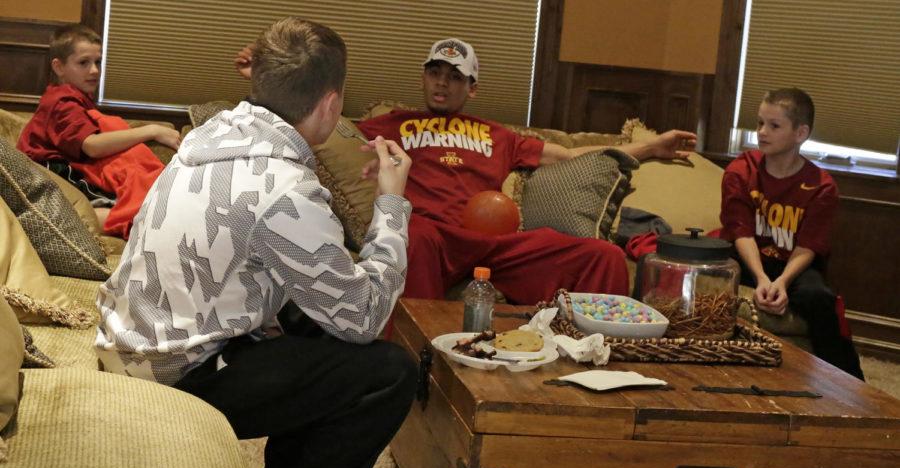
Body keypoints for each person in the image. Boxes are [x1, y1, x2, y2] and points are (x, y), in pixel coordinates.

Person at [96, 18, 415, 468]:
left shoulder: (213, 137)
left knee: (313, 319)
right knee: (385, 371)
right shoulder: (283, 186)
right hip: (169, 382)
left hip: (131, 346)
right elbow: (364, 315)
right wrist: (392, 205)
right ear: (330, 102)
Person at [236, 38, 696, 305]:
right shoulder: (388, 123)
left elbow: (573, 155)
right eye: (435, 72)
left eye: (454, 76)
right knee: (412, 236)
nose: (442, 82)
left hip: (498, 241)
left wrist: (652, 146)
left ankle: (599, 359)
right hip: (432, 235)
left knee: (605, 257)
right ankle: (417, 365)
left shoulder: (499, 134)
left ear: (471, 88)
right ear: (423, 78)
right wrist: (267, 78)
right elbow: (309, 113)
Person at [719, 88, 864, 379]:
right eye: (760, 123)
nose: (762, 132)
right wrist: (761, 278)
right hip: (747, 255)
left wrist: (782, 282)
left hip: (792, 263)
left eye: (774, 126)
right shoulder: (740, 170)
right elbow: (741, 231)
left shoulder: (821, 186)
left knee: (818, 297)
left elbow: (809, 246)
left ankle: (848, 382)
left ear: (801, 133)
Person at [17, 24, 180, 238]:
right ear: (58, 67)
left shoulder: (74, 98)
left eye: (98, 62)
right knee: (135, 212)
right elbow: (92, 146)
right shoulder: (62, 101)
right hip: (50, 175)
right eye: (83, 63)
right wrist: (151, 130)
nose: (94, 70)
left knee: (137, 203)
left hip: (60, 173)